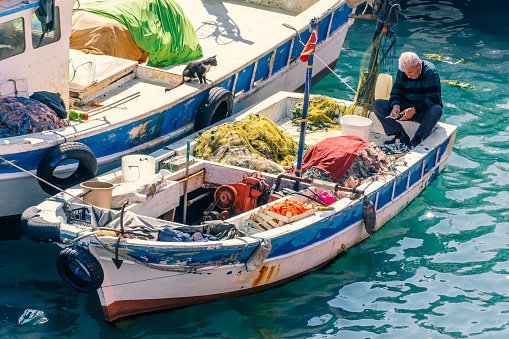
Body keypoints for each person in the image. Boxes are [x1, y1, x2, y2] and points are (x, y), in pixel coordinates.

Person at [372, 51, 443, 148]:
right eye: (406, 73)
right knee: (377, 104)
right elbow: (396, 93)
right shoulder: (402, 72)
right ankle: (400, 134)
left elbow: (434, 99)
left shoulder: (430, 71)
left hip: (422, 112)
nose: (408, 76)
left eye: (410, 72)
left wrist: (414, 110)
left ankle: (417, 139)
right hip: (404, 109)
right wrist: (396, 106)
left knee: (436, 110)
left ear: (418, 65)